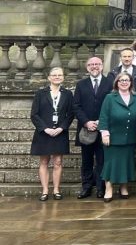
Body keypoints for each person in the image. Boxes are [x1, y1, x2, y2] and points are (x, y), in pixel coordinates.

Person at [31, 67, 74, 201]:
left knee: (58, 162)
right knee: (44, 161)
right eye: (54, 75)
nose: (57, 77)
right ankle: (45, 190)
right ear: (49, 77)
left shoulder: (67, 94)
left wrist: (62, 128)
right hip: (44, 133)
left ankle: (56, 189)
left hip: (59, 132)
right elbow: (34, 114)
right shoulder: (40, 93)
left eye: (59, 75)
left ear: (63, 77)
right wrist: (45, 128)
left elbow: (71, 114)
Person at [99, 72, 136, 202]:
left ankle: (124, 187)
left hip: (130, 137)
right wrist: (104, 132)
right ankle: (109, 188)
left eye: (127, 80)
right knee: (110, 164)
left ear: (131, 83)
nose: (124, 82)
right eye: (121, 80)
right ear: (117, 83)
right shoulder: (110, 97)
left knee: (126, 164)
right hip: (112, 137)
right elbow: (103, 116)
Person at [74, 57, 111, 199]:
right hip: (86, 129)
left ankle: (101, 188)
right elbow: (76, 106)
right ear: (87, 67)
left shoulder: (110, 83)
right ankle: (87, 187)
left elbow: (111, 105)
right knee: (87, 160)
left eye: (97, 64)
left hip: (104, 128)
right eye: (91, 64)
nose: (94, 66)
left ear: (102, 66)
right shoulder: (81, 84)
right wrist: (86, 122)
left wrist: (101, 122)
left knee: (102, 160)